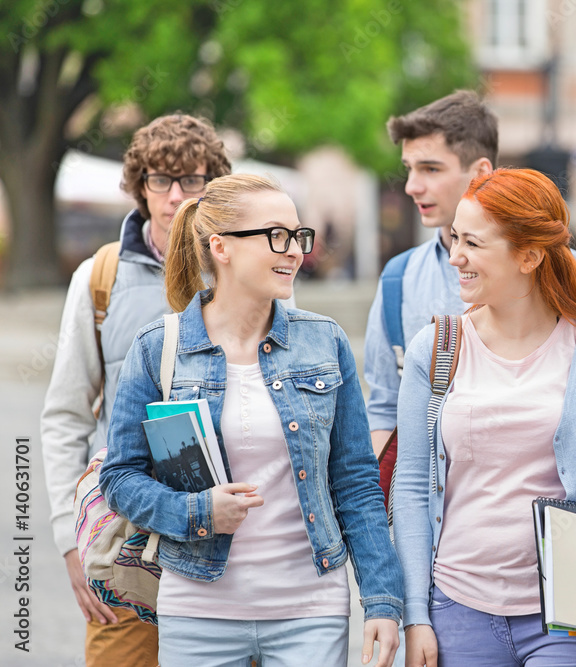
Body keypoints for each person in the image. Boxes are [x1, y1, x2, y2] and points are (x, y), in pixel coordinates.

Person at [99, 174, 403, 667]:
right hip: (197, 610)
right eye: (276, 236)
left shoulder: (324, 342)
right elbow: (120, 476)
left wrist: (382, 601)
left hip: (311, 609)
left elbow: (356, 483)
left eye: (299, 236)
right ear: (221, 247)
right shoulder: (158, 348)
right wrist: (198, 513)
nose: (295, 252)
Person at [394, 168, 576, 667]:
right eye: (455, 238)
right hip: (457, 610)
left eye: (472, 243)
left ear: (529, 256)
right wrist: (416, 614)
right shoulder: (433, 349)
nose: (455, 256)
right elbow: (410, 487)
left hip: (575, 616)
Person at [40, 114, 231, 666]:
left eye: (191, 180)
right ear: (139, 187)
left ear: (211, 185)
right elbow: (66, 415)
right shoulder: (99, 277)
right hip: (122, 539)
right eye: (160, 181)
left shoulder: (242, 267)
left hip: (220, 537)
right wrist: (69, 541)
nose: (175, 197)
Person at [364, 90, 576, 456]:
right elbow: (385, 409)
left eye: (431, 168)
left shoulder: (562, 266)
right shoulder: (398, 278)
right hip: (432, 498)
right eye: (409, 169)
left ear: (481, 173)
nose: (412, 186)